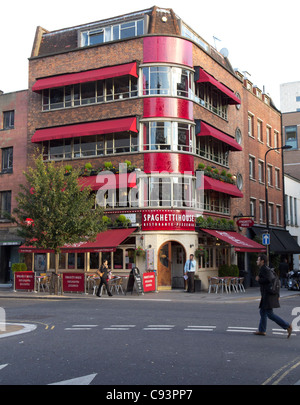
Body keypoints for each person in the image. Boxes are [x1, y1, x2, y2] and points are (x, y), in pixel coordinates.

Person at [254, 254, 292, 337]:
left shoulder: (264, 269)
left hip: (268, 295)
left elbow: (269, 280)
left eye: (258, 260)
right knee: (263, 312)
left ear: (262, 261)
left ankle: (287, 326)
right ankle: (262, 330)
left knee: (269, 314)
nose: (257, 261)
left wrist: (259, 279)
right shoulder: (264, 268)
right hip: (266, 294)